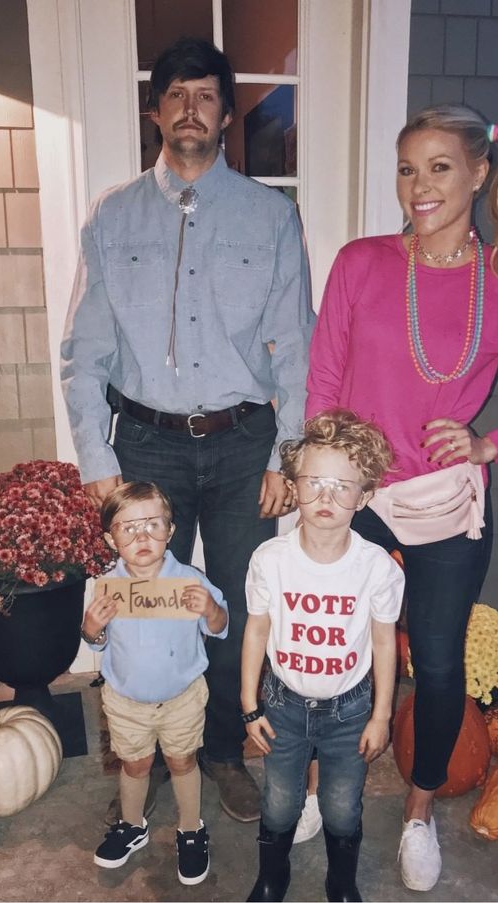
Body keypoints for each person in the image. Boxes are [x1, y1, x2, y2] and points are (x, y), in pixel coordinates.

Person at [306, 104, 498, 892]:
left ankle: (416, 811)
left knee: (436, 667)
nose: (418, 186)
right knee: (331, 653)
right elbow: (323, 383)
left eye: (438, 167)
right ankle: (312, 787)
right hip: (356, 492)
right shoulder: (362, 263)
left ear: (479, 172)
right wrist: (322, 480)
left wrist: (489, 443)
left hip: (445, 502)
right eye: (407, 169)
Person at [61, 36, 313, 823]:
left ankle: (227, 749)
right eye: (175, 96)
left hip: (244, 444)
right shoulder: (113, 216)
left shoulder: (272, 217)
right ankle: (146, 742)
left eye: (205, 95)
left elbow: (297, 346)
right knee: (145, 596)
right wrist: (97, 457)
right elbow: (84, 352)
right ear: (155, 112)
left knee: (235, 597)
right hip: (147, 443)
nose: (190, 109)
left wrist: (288, 453)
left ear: (227, 113)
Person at [241, 409, 405, 903]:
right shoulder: (270, 560)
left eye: (343, 485)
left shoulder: (377, 569)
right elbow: (255, 631)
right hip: (283, 705)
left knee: (340, 807)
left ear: (365, 496)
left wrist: (381, 716)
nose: (326, 497)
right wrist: (250, 705)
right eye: (314, 482)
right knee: (278, 803)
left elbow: (383, 644)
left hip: (349, 710)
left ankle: (341, 881)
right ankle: (272, 878)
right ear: (293, 486)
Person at [83, 481, 228, 886]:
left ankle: (190, 827)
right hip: (126, 699)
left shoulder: (190, 581)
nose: (142, 536)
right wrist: (92, 627)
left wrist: (212, 609)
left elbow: (220, 627)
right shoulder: (106, 588)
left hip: (182, 697)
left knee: (183, 761)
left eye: (153, 525)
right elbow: (95, 638)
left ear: (171, 530)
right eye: (128, 528)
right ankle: (132, 824)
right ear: (111, 538)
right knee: (135, 763)